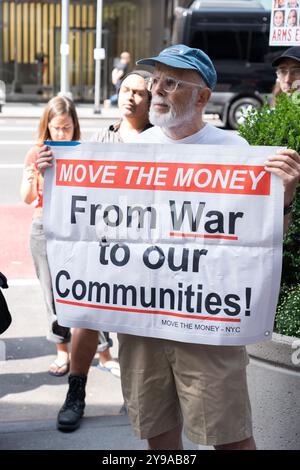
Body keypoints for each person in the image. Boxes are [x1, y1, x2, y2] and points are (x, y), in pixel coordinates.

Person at [115, 44, 300, 450]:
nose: (157, 90)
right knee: (158, 433)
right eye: (155, 81)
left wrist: (283, 198)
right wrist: (55, 173)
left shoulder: (235, 153)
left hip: (207, 326)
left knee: (229, 436)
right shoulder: (136, 149)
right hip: (143, 319)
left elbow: (264, 241)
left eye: (171, 82)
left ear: (201, 97)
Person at [36, 70, 153, 432]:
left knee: (140, 329)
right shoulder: (100, 138)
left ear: (151, 101)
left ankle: (143, 401)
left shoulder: (163, 142)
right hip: (101, 248)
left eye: (139, 92)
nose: (130, 96)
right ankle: (76, 393)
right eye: (126, 89)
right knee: (86, 319)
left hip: (145, 252)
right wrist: (48, 169)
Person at [20, 96, 114, 377]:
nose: (61, 133)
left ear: (75, 126)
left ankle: (104, 351)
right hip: (43, 228)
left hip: (76, 230)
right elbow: (27, 199)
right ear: (46, 126)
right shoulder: (36, 152)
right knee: (52, 295)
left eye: (67, 128)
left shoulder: (82, 150)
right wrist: (36, 172)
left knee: (88, 292)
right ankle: (62, 351)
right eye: (56, 128)